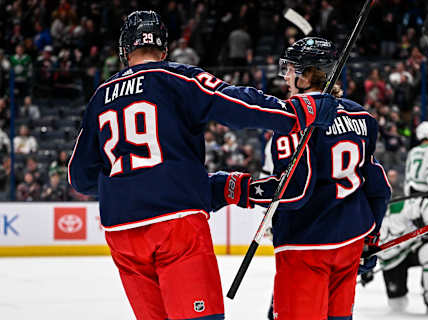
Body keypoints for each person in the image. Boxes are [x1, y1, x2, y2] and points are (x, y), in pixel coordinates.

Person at [67, 11, 338, 320]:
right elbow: (238, 105)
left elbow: (80, 177)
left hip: (121, 231)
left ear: (124, 50)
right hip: (175, 225)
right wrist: (297, 112)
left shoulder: (101, 96)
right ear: (165, 49)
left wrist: (128, 183)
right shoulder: (178, 78)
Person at [215, 37, 391, 320]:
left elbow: (293, 192)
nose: (285, 75)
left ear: (309, 74)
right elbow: (378, 185)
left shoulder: (294, 120)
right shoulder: (362, 116)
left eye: (291, 69)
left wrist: (234, 189)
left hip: (307, 246)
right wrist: (371, 237)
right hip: (351, 240)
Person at [366, 121, 428, 315]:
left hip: (413, 238)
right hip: (392, 259)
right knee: (397, 306)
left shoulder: (412, 155)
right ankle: (426, 282)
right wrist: (366, 262)